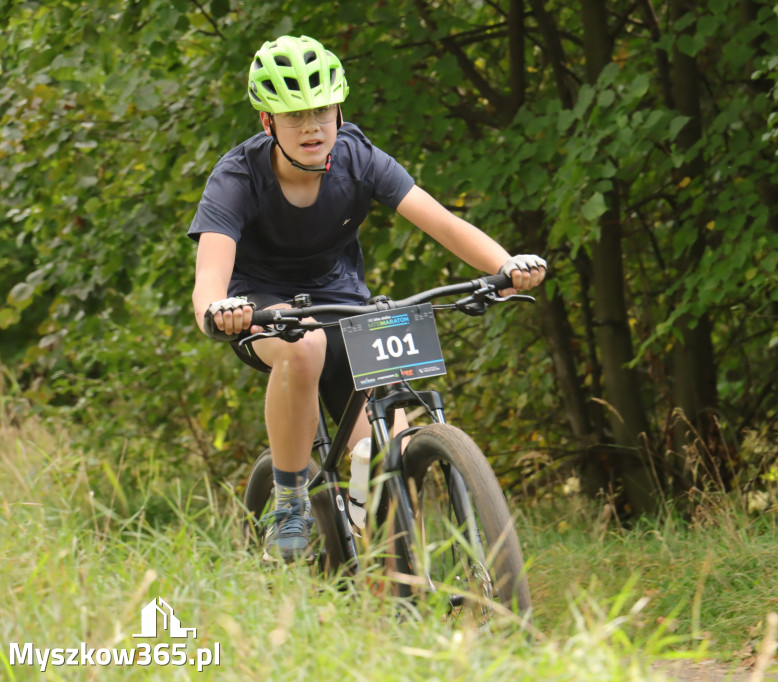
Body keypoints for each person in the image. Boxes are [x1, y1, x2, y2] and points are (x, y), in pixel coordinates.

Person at [188, 35, 546, 562]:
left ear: (339, 110)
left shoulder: (357, 156)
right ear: (268, 123)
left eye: (322, 111)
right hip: (260, 306)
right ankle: (289, 502)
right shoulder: (237, 178)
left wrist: (504, 264)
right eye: (295, 116)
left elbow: (442, 221)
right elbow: (208, 285)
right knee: (304, 345)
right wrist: (220, 312)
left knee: (389, 451)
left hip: (343, 302)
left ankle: (388, 576)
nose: (312, 126)